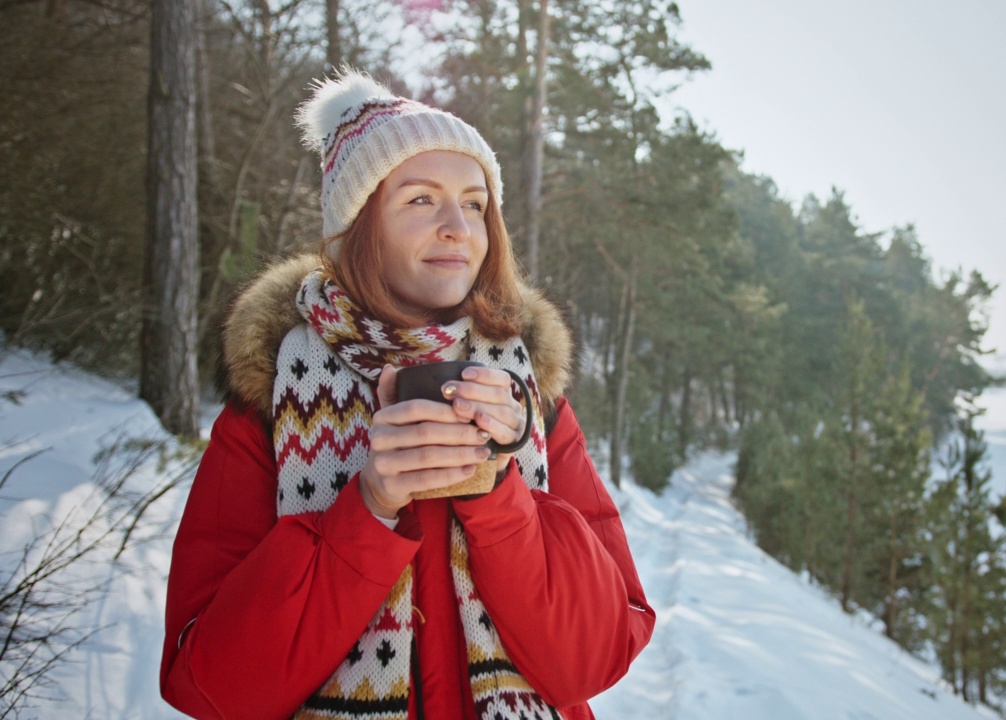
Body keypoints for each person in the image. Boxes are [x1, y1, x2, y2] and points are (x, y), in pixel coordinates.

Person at [160, 69, 655, 720]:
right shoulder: (275, 399)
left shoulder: (529, 397)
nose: (458, 226)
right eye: (421, 199)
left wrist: (496, 493)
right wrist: (367, 508)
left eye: (475, 203)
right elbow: (210, 686)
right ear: (357, 226)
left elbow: (599, 654)